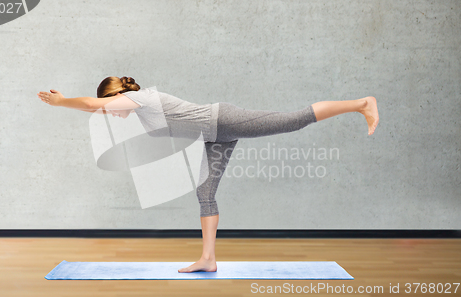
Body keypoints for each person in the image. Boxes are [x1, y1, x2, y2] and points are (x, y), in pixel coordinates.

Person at [38, 76, 379, 273]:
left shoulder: (135, 98)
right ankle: (208, 259)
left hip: (223, 120)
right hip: (214, 136)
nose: (110, 113)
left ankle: (361, 103)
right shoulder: (139, 107)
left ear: (116, 96)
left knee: (292, 120)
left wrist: (62, 101)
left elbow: (92, 105)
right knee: (205, 194)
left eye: (109, 106)